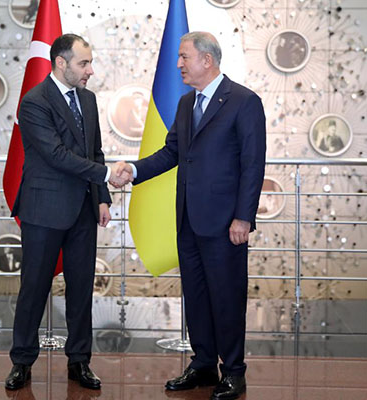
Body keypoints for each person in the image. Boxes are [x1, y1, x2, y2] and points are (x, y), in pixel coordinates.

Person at [115, 32, 266, 399]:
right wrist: (133, 170)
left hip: (225, 224)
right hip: (188, 221)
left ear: (206, 60)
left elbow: (253, 165)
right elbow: (171, 153)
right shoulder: (186, 104)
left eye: (184, 57)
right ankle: (203, 364)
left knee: (227, 297)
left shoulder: (244, 101)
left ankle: (234, 371)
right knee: (196, 296)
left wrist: (243, 218)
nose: (179, 64)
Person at [5, 33, 130, 391]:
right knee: (34, 288)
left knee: (81, 289)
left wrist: (102, 197)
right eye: (84, 63)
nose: (90, 70)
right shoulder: (34, 102)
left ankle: (79, 361)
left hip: (83, 211)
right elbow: (56, 155)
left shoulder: (87, 99)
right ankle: (22, 362)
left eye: (90, 62)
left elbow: (95, 151)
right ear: (61, 63)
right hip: (43, 210)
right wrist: (105, 174)